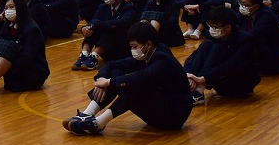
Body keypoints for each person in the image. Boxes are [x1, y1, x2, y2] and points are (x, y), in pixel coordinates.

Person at [61, 23, 193, 135]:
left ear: (148, 44)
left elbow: (142, 78)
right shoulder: (148, 52)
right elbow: (111, 65)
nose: (133, 50)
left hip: (174, 115)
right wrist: (101, 79)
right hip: (160, 106)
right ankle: (88, 113)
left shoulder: (163, 59)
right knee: (116, 72)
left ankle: (98, 124)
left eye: (135, 46)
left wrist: (109, 82)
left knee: (135, 85)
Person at [182, 7, 260, 103]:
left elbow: (231, 65)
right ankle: (193, 87)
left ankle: (198, 91)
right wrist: (188, 75)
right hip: (219, 81)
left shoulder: (245, 39)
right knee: (207, 44)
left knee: (217, 48)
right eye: (210, 26)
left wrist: (203, 79)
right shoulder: (212, 36)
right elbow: (193, 57)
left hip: (241, 83)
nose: (212, 29)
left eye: (215, 27)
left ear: (228, 27)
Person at [0, 0, 49, 95]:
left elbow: (28, 58)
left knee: (9, 47)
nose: (8, 11)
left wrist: (8, 63)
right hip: (15, 72)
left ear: (20, 8)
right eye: (6, 8)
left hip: (32, 72)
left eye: (12, 7)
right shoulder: (8, 26)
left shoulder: (32, 29)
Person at [237, 0, 279, 75]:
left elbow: (251, 37)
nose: (242, 6)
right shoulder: (245, 13)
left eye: (245, 4)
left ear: (256, 6)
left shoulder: (266, 16)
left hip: (273, 59)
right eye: (240, 3)